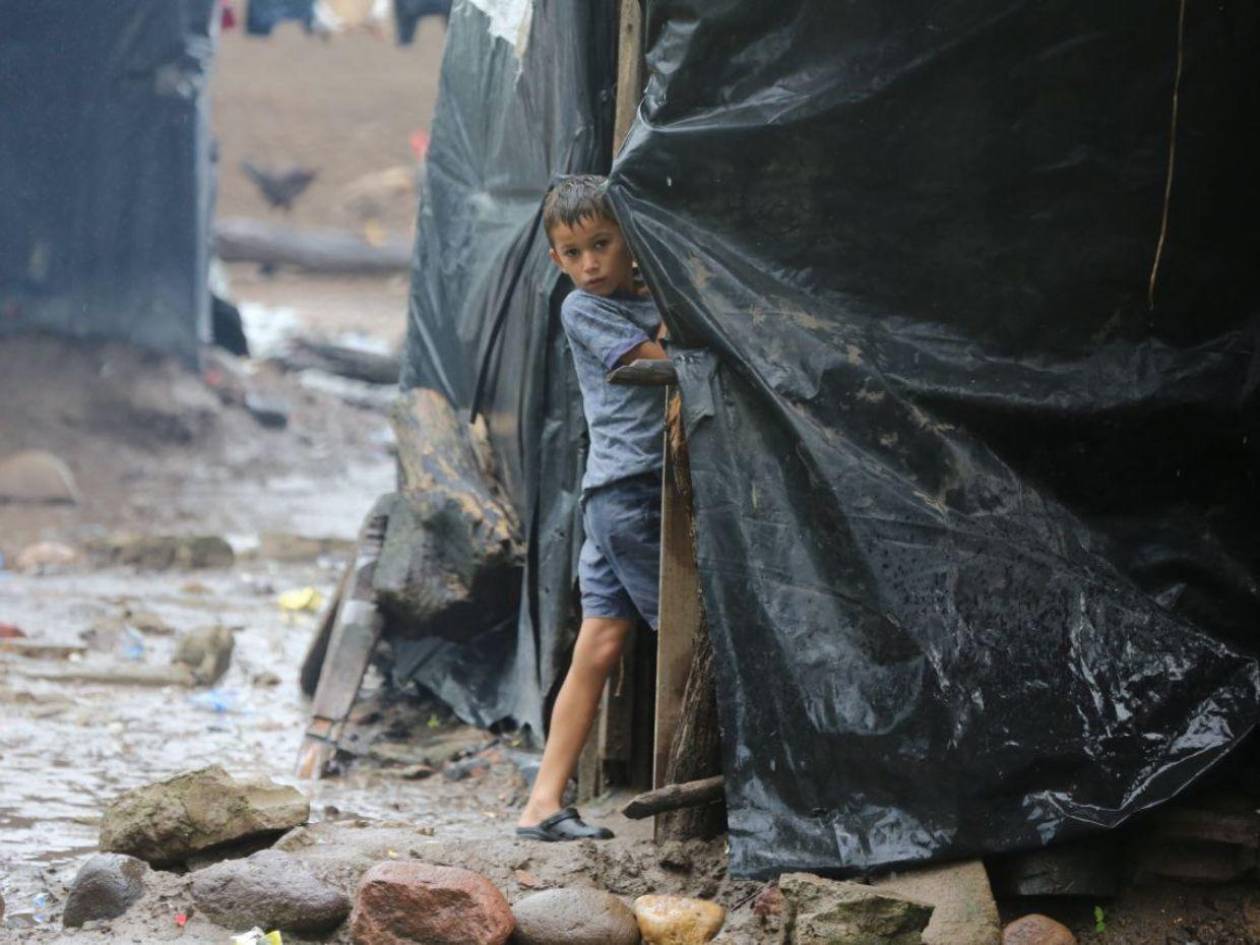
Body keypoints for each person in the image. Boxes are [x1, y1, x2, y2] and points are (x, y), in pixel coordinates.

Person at [516, 175, 669, 841]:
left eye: (602, 244)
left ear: (628, 240)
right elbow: (659, 360)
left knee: (600, 644)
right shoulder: (582, 309)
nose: (590, 264)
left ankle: (542, 803)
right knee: (692, 637)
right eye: (573, 253)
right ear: (556, 259)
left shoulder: (647, 295)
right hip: (631, 493)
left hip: (613, 492)